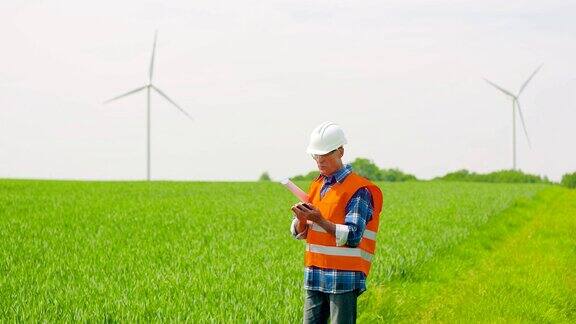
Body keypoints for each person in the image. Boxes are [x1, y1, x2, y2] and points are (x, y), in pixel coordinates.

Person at [290, 121, 383, 324]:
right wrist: (301, 219)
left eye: (324, 155)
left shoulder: (359, 190)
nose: (319, 160)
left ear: (340, 151)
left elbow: (353, 235)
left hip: (343, 278)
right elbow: (299, 232)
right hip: (315, 274)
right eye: (316, 155)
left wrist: (319, 219)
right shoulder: (317, 185)